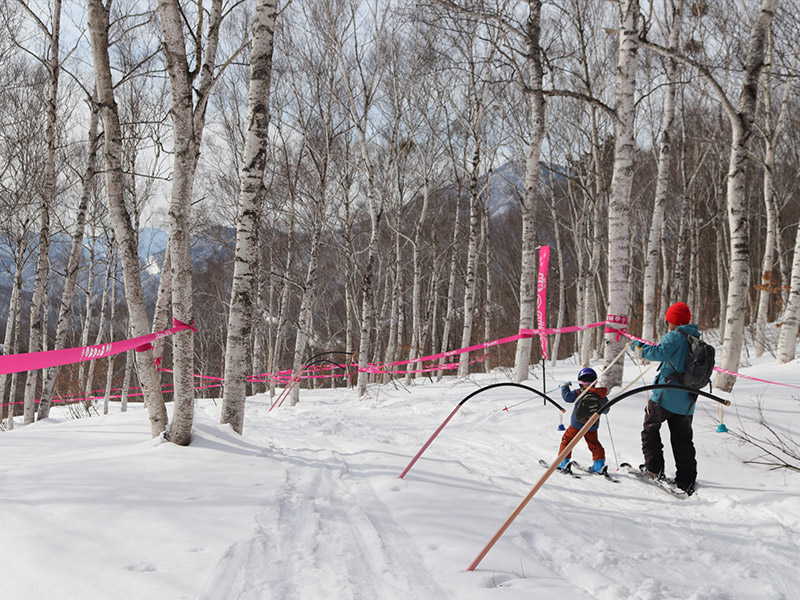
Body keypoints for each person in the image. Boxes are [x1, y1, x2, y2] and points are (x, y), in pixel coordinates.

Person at [630, 301, 698, 494]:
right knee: (682, 439)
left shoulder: (675, 336)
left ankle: (654, 469)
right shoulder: (696, 338)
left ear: (672, 321)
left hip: (665, 395)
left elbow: (657, 353)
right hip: (687, 400)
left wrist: (637, 346)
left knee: (650, 431)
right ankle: (687, 480)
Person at [557, 367, 608, 473]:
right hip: (592, 425)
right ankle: (599, 464)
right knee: (594, 443)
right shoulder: (600, 395)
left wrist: (565, 386)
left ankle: (563, 462)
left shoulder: (579, 392)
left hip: (577, 424)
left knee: (567, 440)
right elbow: (606, 410)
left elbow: (567, 397)